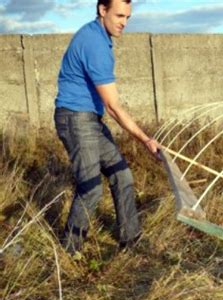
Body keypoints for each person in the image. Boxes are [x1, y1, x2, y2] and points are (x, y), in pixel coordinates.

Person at [54, 0, 160, 255]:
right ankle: (70, 250)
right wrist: (145, 140)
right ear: (102, 10)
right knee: (90, 188)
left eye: (128, 17)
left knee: (122, 174)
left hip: (89, 120)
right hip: (76, 119)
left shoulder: (98, 36)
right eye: (119, 15)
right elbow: (113, 106)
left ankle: (130, 239)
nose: (124, 22)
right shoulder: (95, 44)